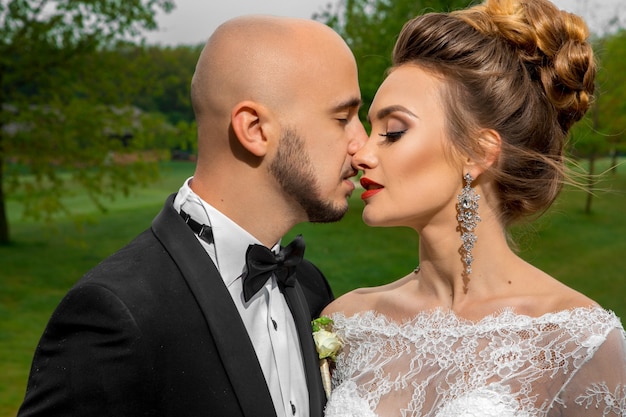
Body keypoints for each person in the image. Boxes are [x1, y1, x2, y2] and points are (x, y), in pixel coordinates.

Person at [18, 15, 367, 417]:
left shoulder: (309, 287)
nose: (361, 144)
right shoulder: (117, 314)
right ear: (254, 129)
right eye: (342, 119)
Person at [321, 1, 626, 416]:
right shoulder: (347, 322)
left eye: (393, 132)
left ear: (478, 154)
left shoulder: (580, 343)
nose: (362, 154)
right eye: (371, 130)